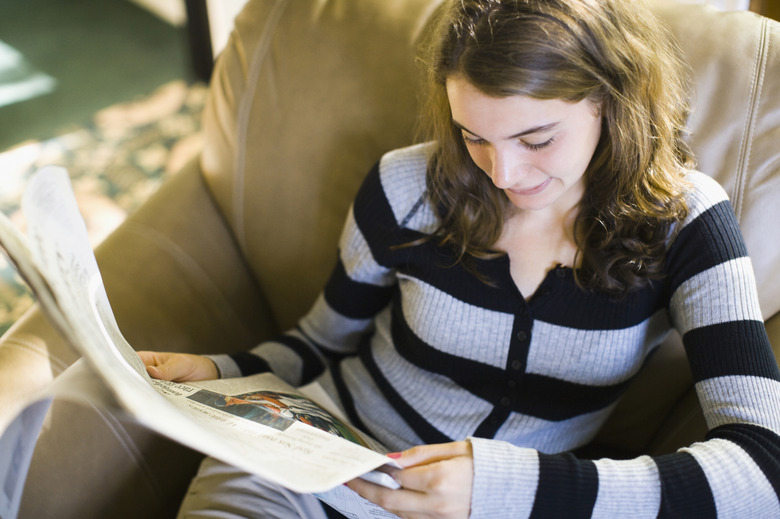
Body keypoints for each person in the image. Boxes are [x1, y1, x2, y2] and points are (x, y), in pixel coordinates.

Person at [140, 0, 780, 517]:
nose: (503, 172)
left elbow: (763, 470)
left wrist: (513, 491)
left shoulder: (685, 220)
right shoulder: (405, 187)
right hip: (312, 470)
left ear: (612, 101)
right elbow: (318, 342)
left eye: (537, 138)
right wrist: (222, 372)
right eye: (475, 136)